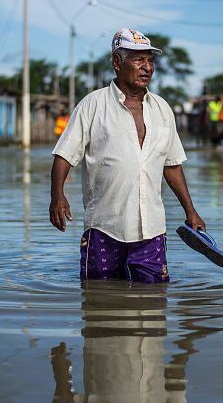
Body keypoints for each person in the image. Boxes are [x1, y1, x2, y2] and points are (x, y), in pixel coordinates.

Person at [49, 28, 205, 283]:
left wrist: (191, 211)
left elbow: (172, 165)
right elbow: (64, 155)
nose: (147, 68)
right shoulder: (92, 105)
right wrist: (57, 196)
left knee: (154, 304)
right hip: (104, 226)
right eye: (138, 60)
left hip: (151, 229)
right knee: (98, 301)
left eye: (150, 61)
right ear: (117, 62)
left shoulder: (162, 109)